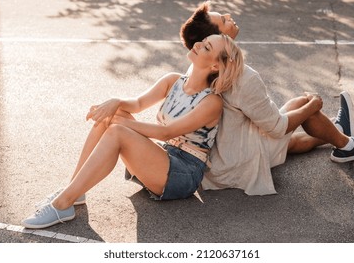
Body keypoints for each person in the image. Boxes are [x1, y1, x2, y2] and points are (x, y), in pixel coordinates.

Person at [21, 34, 245, 229]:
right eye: (203, 42)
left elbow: (166, 133)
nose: (197, 44)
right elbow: (137, 104)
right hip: (164, 157)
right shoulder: (173, 80)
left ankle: (62, 204)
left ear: (216, 66)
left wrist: (122, 124)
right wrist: (114, 103)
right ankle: (74, 191)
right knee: (110, 117)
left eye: (206, 47)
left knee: (118, 130)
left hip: (184, 172)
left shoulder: (211, 102)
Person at [179, 1, 354, 195]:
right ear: (218, 38)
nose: (229, 16)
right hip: (237, 160)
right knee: (306, 108)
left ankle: (337, 130)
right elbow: (277, 127)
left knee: (293, 119)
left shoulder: (199, 66)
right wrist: (313, 105)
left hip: (220, 154)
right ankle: (347, 146)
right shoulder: (242, 77)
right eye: (224, 19)